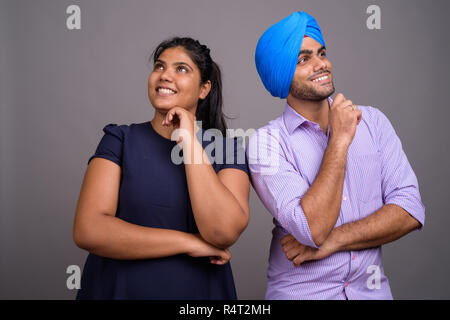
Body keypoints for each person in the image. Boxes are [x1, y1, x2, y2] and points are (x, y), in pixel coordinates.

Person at [247, 12, 425, 299]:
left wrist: (336, 241)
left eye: (322, 53)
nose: (321, 64)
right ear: (281, 74)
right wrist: (339, 140)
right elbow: (312, 230)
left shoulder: (374, 122)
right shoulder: (266, 144)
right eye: (303, 59)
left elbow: (410, 209)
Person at [73, 37, 250, 299]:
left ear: (204, 89)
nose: (165, 75)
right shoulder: (120, 139)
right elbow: (88, 229)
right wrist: (188, 243)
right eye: (159, 66)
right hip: (118, 291)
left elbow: (222, 231)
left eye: (181, 69)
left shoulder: (227, 150)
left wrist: (189, 139)